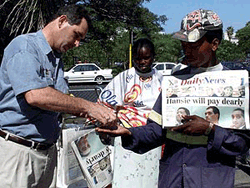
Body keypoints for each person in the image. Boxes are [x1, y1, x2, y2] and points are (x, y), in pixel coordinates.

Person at [96, 9, 250, 187]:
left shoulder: (235, 84)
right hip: (173, 178)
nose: (187, 50)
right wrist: (129, 132)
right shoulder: (175, 80)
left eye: (194, 45)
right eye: (184, 44)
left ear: (214, 44)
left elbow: (241, 144)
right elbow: (156, 130)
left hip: (212, 179)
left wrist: (209, 129)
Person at [0, 4, 116, 188]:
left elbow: (59, 102)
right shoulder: (24, 47)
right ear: (62, 21)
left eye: (81, 39)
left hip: (47, 153)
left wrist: (92, 115)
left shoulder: (56, 59)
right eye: (77, 35)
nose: (77, 44)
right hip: (19, 153)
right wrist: (88, 106)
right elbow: (36, 95)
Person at [98, 38, 163, 188]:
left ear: (153, 57)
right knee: (127, 179)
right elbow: (104, 103)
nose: (142, 62)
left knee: (150, 179)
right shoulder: (123, 78)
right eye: (138, 58)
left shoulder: (161, 79)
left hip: (152, 138)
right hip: (126, 138)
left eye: (146, 58)